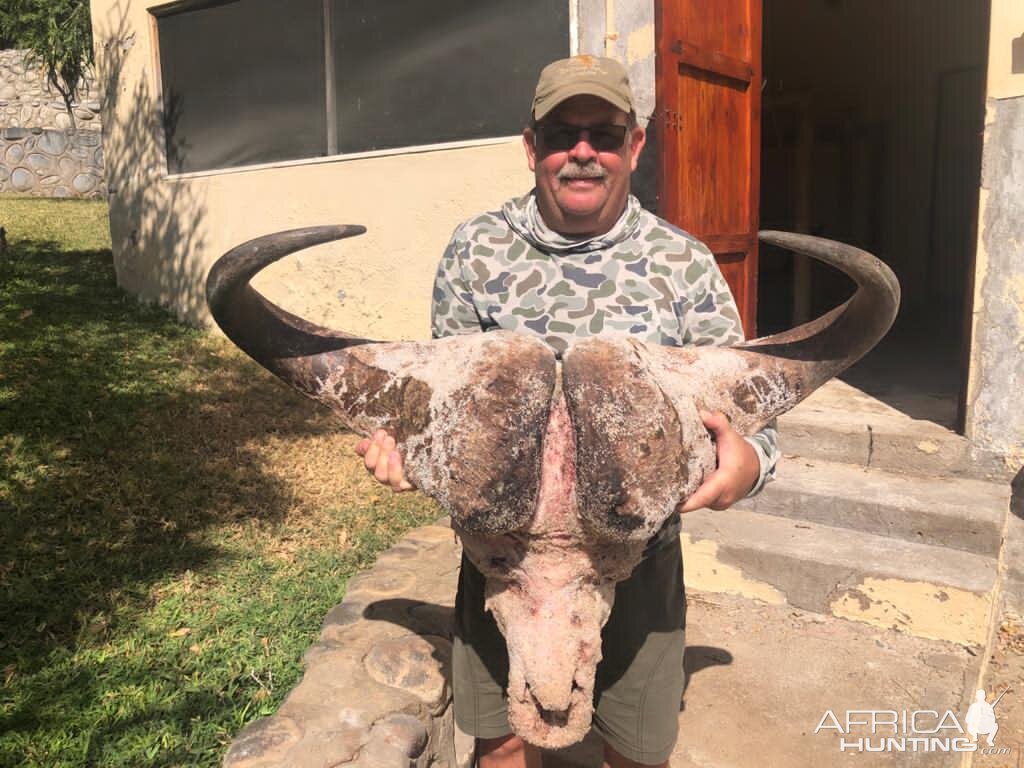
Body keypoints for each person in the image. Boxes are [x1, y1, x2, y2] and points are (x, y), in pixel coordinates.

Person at [357, 55, 779, 768]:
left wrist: (749, 466)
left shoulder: (684, 265)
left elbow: (754, 420)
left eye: (605, 134)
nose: (583, 151)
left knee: (637, 752)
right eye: (562, 133)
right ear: (532, 147)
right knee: (499, 743)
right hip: (500, 558)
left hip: (639, 561)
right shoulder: (475, 251)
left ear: (635, 146)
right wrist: (406, 445)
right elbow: (440, 401)